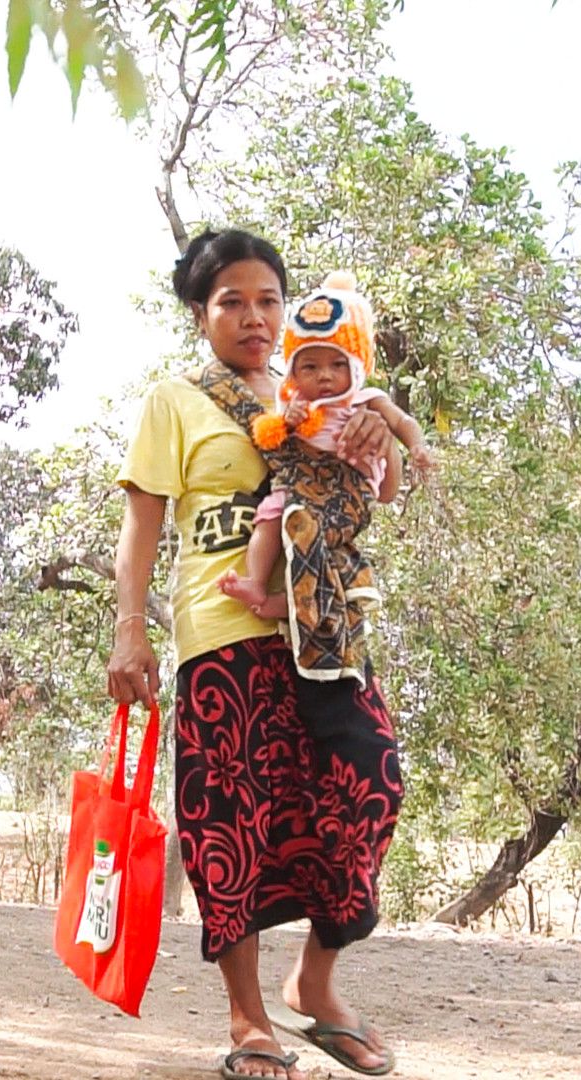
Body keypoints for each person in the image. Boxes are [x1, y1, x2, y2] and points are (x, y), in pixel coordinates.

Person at [108, 229, 405, 1080]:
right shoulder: (176, 399)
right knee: (225, 819)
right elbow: (143, 524)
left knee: (372, 781)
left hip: (322, 628)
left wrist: (378, 440)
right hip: (220, 631)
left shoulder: (324, 388)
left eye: (268, 299)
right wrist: (132, 628)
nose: (253, 316)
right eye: (231, 301)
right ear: (200, 313)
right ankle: (249, 1022)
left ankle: (314, 982)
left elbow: (364, 494)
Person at [217, 271, 434, 635]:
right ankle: (260, 585)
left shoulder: (366, 401)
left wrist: (418, 447)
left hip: (348, 491)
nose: (325, 377)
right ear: (293, 373)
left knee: (317, 544)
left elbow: (403, 422)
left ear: (356, 366)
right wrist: (287, 421)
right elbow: (269, 437)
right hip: (300, 491)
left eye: (338, 365)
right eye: (310, 367)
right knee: (271, 522)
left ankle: (295, 601)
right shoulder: (296, 405)